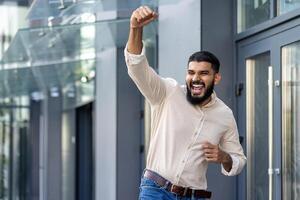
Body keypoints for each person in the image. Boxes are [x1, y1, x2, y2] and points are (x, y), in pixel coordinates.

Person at [124, 6, 246, 200]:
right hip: (155, 191)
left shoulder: (224, 114)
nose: (195, 78)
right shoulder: (168, 93)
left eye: (203, 73)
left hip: (195, 196)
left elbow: (239, 160)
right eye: (191, 72)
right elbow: (137, 67)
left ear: (216, 78)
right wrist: (135, 29)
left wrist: (224, 157)